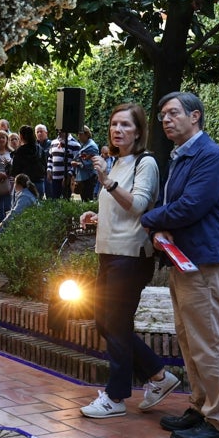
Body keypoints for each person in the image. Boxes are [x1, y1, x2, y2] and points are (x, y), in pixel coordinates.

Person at [141, 92, 219, 438]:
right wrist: (159, 228)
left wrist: (147, 219)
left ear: (195, 117)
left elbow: (190, 207)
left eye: (173, 113)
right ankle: (200, 407)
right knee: (189, 340)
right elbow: (175, 207)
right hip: (185, 262)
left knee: (208, 344)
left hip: (206, 263)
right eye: (162, 114)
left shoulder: (210, 156)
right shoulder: (181, 156)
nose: (165, 120)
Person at [77, 104, 178, 419]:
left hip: (131, 255)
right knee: (104, 321)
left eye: (125, 125)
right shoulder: (117, 162)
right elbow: (119, 206)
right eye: (113, 124)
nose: (117, 130)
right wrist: (97, 215)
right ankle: (159, 376)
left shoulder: (145, 163)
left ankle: (116, 397)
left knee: (116, 323)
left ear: (138, 131)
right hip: (109, 252)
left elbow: (139, 206)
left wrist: (106, 181)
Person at [10, 125, 46, 199]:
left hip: (24, 185)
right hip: (39, 183)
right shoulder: (39, 149)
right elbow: (45, 165)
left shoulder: (20, 152)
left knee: (21, 208)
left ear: (21, 136)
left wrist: (7, 166)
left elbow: (15, 171)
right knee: (38, 208)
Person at [46, 129, 80, 199]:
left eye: (61, 130)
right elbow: (50, 158)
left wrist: (69, 175)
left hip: (66, 179)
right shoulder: (53, 142)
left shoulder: (75, 144)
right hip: (55, 177)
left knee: (65, 200)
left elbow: (77, 162)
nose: (59, 132)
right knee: (54, 199)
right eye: (58, 130)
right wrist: (49, 170)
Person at [73, 126, 100, 200]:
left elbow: (92, 164)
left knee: (88, 199)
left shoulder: (91, 146)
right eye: (78, 134)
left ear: (87, 134)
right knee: (84, 199)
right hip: (84, 177)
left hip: (89, 177)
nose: (79, 136)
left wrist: (78, 164)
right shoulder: (84, 145)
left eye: (80, 134)